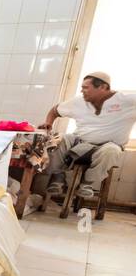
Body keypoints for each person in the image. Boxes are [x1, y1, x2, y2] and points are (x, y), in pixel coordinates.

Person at [39, 72, 134, 201]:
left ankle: (87, 184)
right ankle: (57, 177)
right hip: (79, 142)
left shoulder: (126, 100)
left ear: (103, 87)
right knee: (58, 139)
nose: (82, 90)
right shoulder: (79, 101)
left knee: (112, 150)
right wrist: (48, 123)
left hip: (106, 146)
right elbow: (55, 111)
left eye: (86, 87)